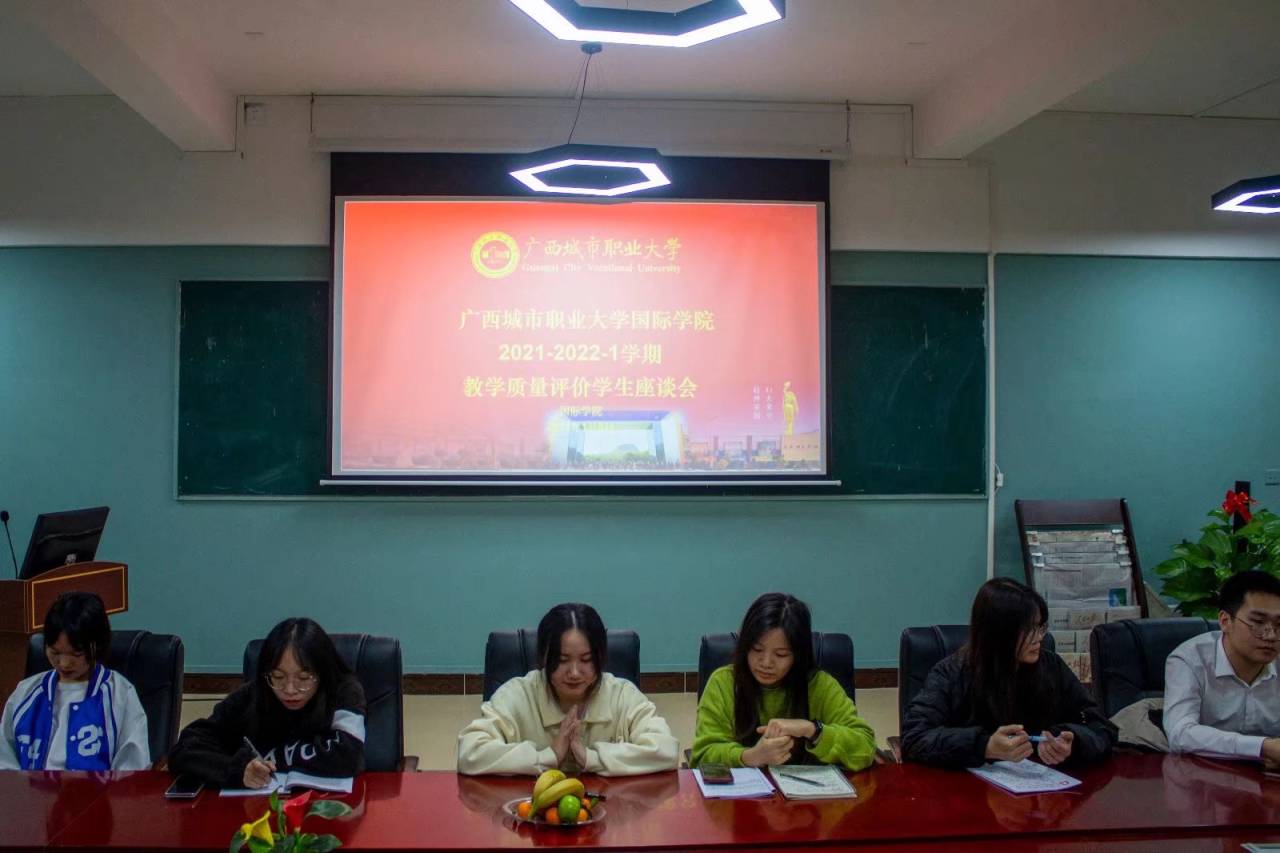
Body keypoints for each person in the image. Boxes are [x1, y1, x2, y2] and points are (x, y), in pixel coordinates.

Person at [901, 577, 1117, 768]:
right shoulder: (952, 673)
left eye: (1041, 627)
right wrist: (984, 746)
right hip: (971, 791)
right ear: (1000, 633)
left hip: (1042, 789)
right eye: (1029, 629)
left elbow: (1102, 728)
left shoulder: (1051, 666)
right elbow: (914, 738)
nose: (1039, 637)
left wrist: (1073, 742)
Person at [458, 602, 679, 775]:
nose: (574, 673)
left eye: (586, 659)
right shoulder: (517, 695)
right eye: (562, 660)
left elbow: (666, 750)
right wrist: (548, 756)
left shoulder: (622, 695)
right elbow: (470, 752)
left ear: (601, 657)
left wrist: (592, 758)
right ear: (544, 657)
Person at [168, 618, 365, 788]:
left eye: (303, 678)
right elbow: (184, 750)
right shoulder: (254, 694)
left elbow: (349, 757)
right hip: (256, 810)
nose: (290, 690)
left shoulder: (343, 691)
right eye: (278, 677)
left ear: (323, 674)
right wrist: (237, 769)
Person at [691, 592, 877, 770]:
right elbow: (702, 756)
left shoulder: (818, 685)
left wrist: (813, 730)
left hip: (809, 791)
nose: (766, 663)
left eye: (781, 654)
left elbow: (865, 747)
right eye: (756, 649)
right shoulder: (724, 683)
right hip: (743, 792)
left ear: (798, 654)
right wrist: (751, 756)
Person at [0, 591, 149, 770]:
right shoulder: (26, 692)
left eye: (76, 654)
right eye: (55, 652)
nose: (64, 663)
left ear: (97, 646)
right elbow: (4, 760)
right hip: (32, 787)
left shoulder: (120, 694)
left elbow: (132, 768)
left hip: (96, 788)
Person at [1164, 570, 1280, 765]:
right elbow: (1180, 733)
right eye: (1258, 622)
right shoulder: (1190, 659)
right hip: (1201, 774)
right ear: (1225, 621)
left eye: (1279, 624)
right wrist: (1263, 747)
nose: (1271, 636)